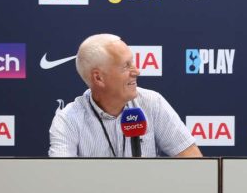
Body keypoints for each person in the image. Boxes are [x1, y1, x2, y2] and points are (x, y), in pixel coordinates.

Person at [49, 33, 202, 157]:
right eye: (126, 66)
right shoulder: (68, 120)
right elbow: (62, 179)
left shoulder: (152, 102)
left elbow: (193, 163)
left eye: (133, 63)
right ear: (98, 78)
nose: (137, 71)